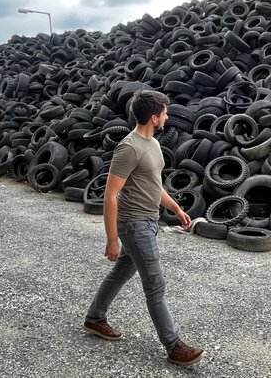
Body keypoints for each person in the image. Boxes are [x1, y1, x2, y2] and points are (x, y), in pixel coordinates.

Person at [83, 90, 205, 366]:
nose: (167, 116)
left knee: (120, 273)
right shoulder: (129, 147)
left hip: (150, 221)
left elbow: (153, 184)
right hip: (134, 224)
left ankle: (94, 318)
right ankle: (174, 346)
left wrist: (175, 208)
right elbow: (110, 194)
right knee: (155, 285)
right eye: (164, 112)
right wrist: (112, 238)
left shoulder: (153, 144)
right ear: (154, 117)